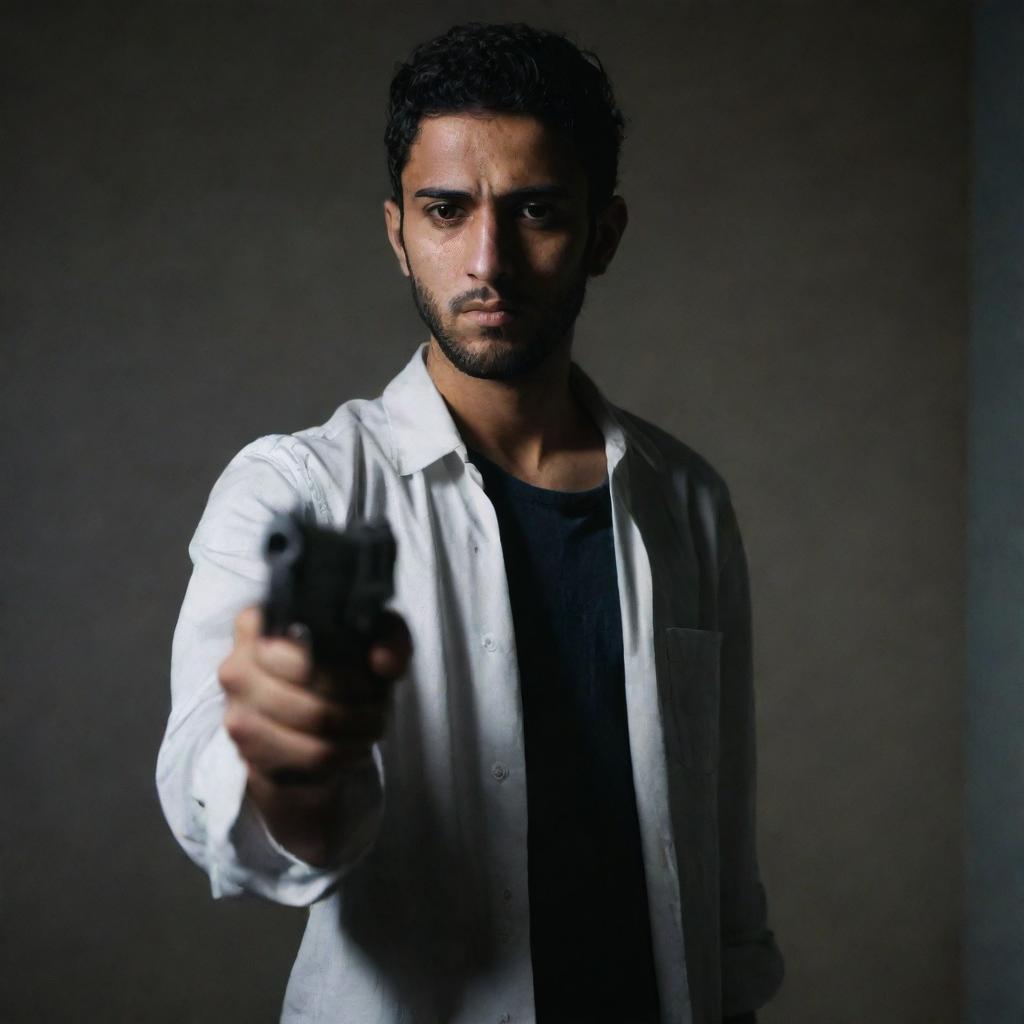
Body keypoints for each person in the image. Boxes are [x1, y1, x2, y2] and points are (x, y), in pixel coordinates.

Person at [156, 21, 784, 1024]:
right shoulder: (296, 490)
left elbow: (720, 867)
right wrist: (288, 762)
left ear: (603, 233)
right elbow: (214, 792)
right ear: (398, 231)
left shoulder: (687, 500)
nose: (488, 260)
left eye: (535, 210)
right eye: (445, 211)